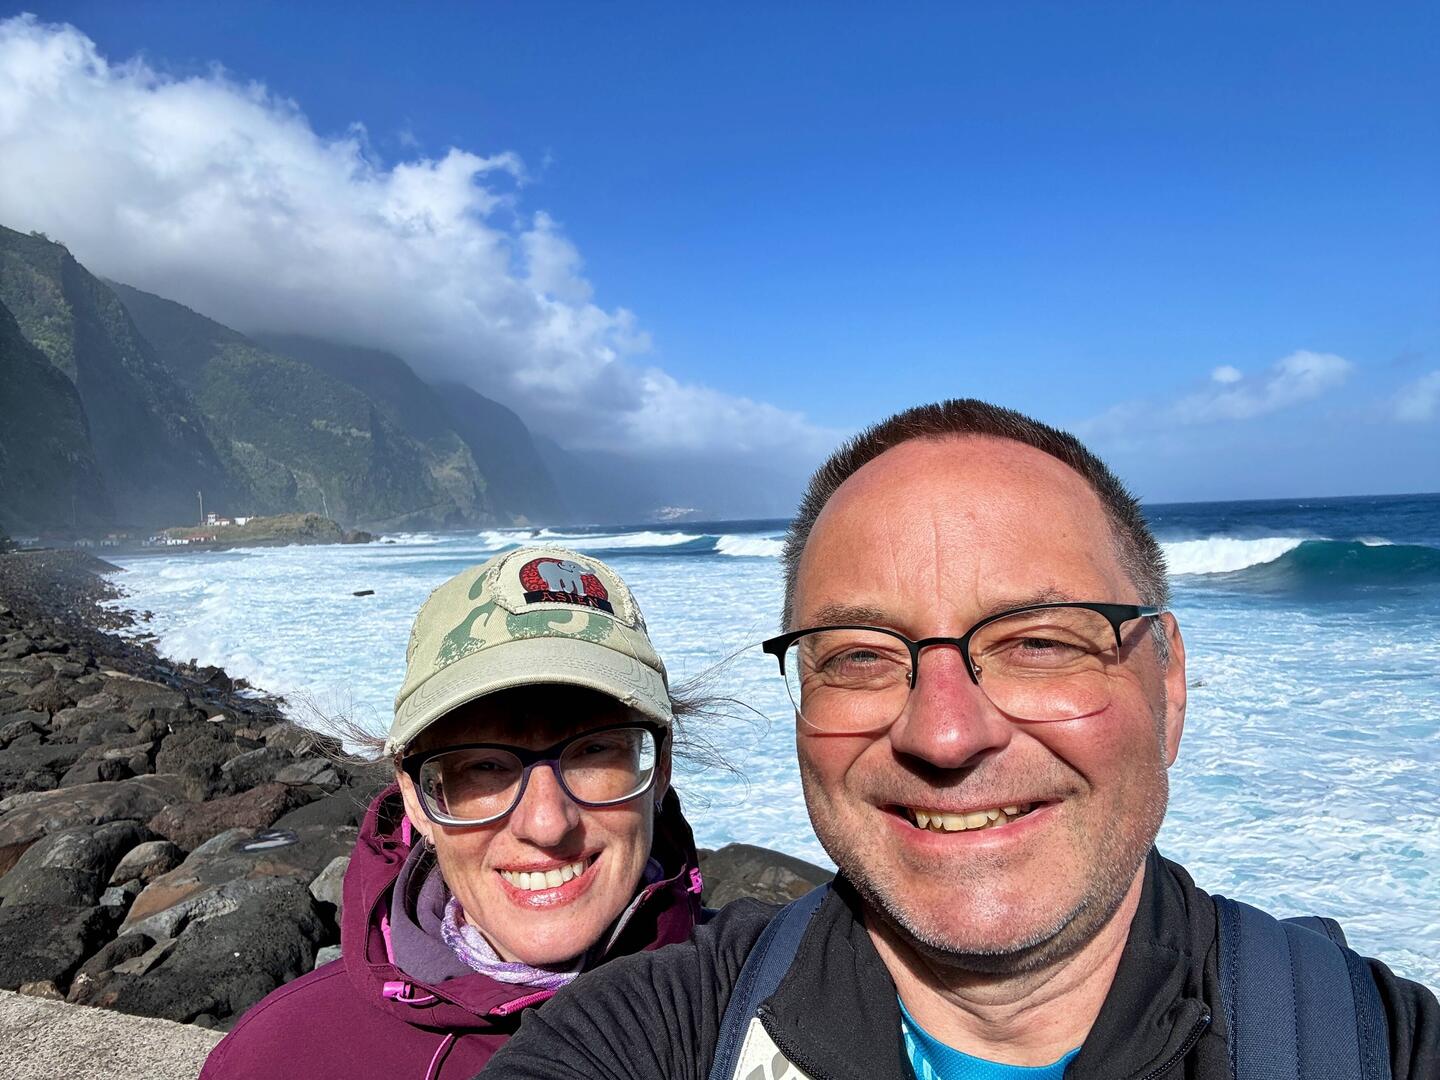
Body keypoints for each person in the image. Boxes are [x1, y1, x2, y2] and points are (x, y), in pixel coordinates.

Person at [486, 400, 1439, 1080]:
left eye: (1037, 641)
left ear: (1169, 684)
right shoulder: (661, 1035)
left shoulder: (1368, 1044)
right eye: (859, 656)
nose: (944, 733)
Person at [200, 545, 706, 1078]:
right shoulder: (283, 1057)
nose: (547, 823)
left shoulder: (766, 1008)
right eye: (484, 767)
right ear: (417, 799)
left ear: (660, 771)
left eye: (594, 751)